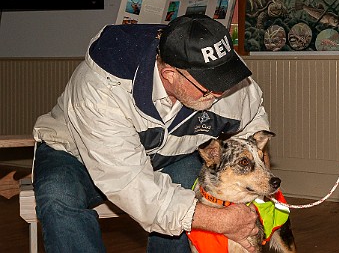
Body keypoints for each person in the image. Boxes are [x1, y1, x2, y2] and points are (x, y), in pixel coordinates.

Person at [32, 14, 268, 253]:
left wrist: (259, 160)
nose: (220, 93)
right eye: (209, 86)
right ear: (170, 75)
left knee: (189, 184)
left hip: (169, 157)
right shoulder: (101, 89)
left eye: (224, 79)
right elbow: (128, 181)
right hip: (76, 154)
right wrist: (217, 220)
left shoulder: (214, 65)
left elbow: (251, 113)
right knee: (57, 193)